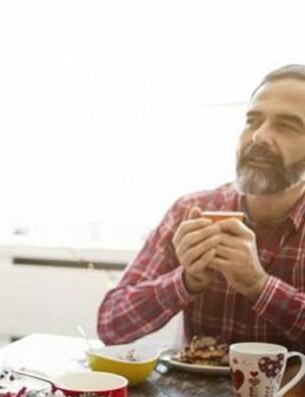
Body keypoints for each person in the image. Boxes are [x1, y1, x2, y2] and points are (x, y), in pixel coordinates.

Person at [98, 65, 305, 350]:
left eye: (287, 126)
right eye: (253, 121)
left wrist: (259, 286)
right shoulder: (190, 210)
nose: (258, 137)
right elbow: (111, 325)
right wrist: (186, 281)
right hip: (195, 393)